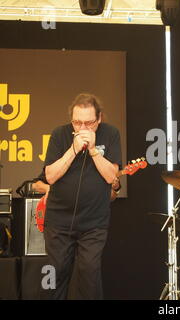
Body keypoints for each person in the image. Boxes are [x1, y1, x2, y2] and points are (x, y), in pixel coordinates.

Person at [43, 93, 122, 300]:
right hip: (58, 220)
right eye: (78, 123)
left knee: (89, 273)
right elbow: (50, 176)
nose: (83, 128)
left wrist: (94, 150)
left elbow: (111, 176)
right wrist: (73, 149)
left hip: (94, 222)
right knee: (53, 272)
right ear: (72, 121)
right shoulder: (59, 134)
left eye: (89, 123)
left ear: (99, 119)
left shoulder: (111, 134)